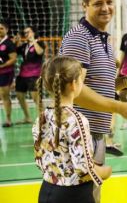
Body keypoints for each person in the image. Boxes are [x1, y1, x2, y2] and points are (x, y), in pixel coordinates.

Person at [59, 0, 127, 202]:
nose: (106, 7)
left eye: (109, 2)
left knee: (92, 196)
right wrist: (120, 107)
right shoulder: (79, 37)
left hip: (94, 136)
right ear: (85, 5)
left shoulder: (103, 38)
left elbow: (97, 83)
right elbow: (75, 91)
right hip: (79, 136)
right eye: (98, 3)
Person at [33, 56, 112, 203]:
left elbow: (39, 160)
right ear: (74, 84)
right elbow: (83, 168)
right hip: (73, 195)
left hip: (46, 191)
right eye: (82, 79)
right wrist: (105, 172)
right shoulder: (77, 120)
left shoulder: (41, 117)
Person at [13, 26, 45, 124]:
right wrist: (15, 42)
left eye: (28, 32)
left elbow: (40, 52)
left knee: (36, 98)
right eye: (25, 33)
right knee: (19, 95)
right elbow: (13, 51)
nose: (26, 34)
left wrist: (33, 41)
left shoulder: (39, 43)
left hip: (34, 75)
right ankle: (27, 117)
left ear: (34, 33)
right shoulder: (24, 46)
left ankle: (43, 119)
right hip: (22, 75)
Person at [0, 21, 17, 127]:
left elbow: (13, 59)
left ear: (6, 30)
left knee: (4, 95)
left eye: (1, 28)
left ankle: (8, 119)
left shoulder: (9, 43)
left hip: (5, 73)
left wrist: (2, 66)